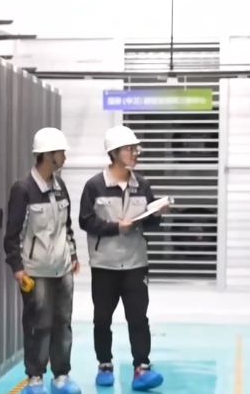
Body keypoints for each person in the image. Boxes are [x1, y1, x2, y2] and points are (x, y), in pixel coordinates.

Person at [78, 125, 168, 391]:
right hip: (104, 264)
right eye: (130, 149)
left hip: (135, 263)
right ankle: (104, 364)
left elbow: (150, 224)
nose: (135, 153)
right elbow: (85, 221)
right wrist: (115, 227)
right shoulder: (94, 186)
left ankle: (142, 367)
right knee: (102, 319)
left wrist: (156, 214)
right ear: (114, 153)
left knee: (138, 318)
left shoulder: (142, 185)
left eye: (135, 149)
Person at [3, 127, 82, 394]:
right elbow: (12, 233)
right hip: (36, 271)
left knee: (63, 324)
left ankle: (62, 377)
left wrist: (73, 255)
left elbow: (66, 227)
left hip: (63, 269)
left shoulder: (60, 187)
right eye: (61, 152)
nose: (65, 157)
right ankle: (35, 378)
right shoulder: (23, 189)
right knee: (39, 324)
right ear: (48, 155)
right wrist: (17, 267)